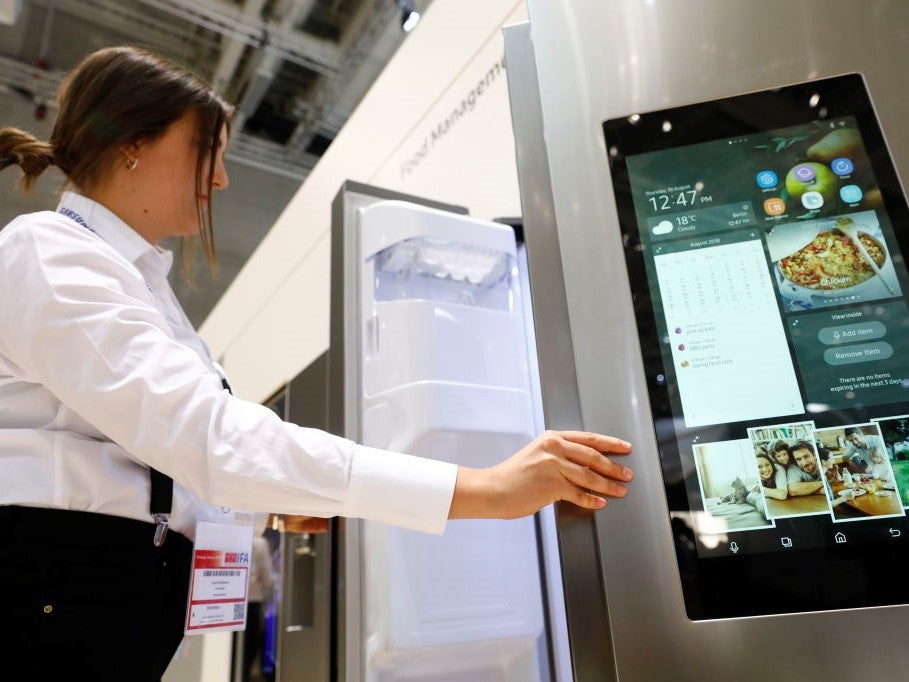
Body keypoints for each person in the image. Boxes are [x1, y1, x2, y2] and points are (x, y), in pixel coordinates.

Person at [0, 47, 634, 680]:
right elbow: (207, 439)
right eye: (207, 150)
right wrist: (486, 490)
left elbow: (135, 454)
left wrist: (265, 507)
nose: (221, 179)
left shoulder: (134, 281)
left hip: (95, 605)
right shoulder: (48, 254)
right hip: (55, 601)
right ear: (133, 142)